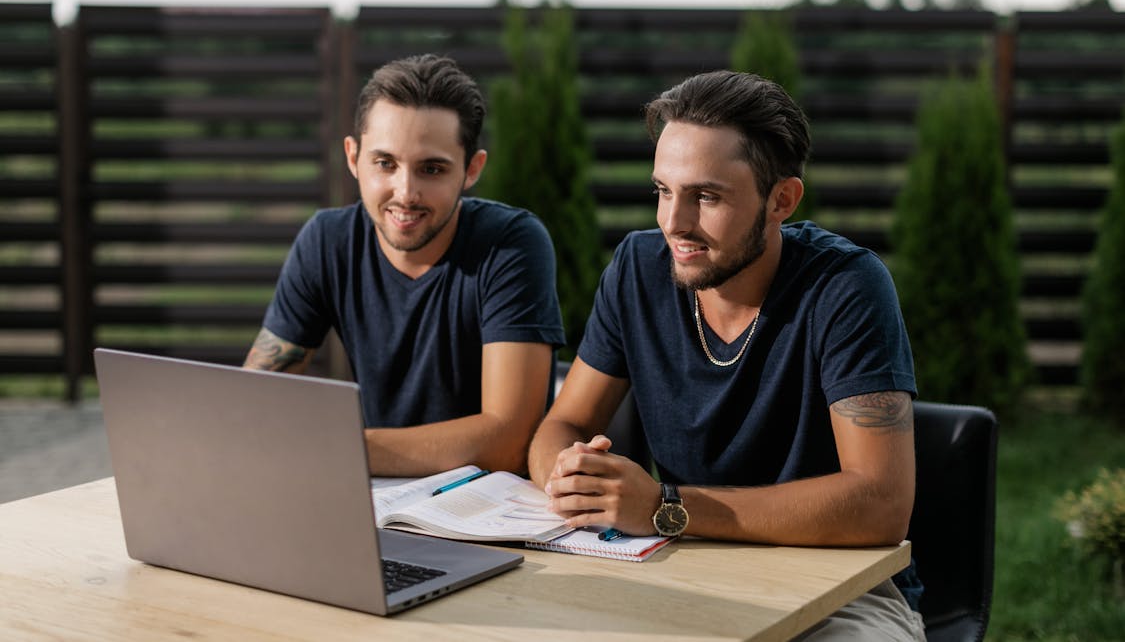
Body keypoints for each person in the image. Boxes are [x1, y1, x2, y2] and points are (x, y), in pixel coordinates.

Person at [529, 70, 925, 640]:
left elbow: (880, 503)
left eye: (706, 197)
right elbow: (564, 421)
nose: (673, 223)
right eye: (663, 190)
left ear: (781, 200)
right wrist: (567, 479)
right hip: (678, 564)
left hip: (842, 592)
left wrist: (667, 506)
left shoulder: (846, 287)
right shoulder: (637, 270)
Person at [246, 54, 565, 477]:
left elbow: (508, 443)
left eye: (431, 169)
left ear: (472, 169)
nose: (405, 191)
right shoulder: (328, 241)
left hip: (488, 515)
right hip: (378, 501)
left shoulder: (511, 245)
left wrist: (339, 446)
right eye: (385, 163)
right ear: (352, 157)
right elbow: (253, 401)